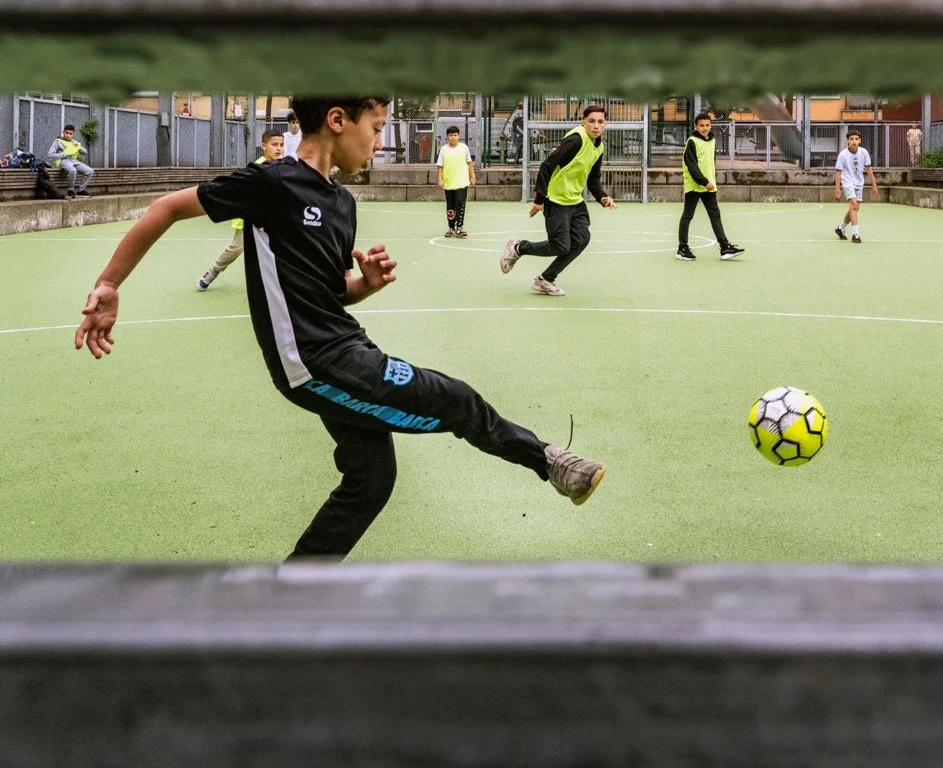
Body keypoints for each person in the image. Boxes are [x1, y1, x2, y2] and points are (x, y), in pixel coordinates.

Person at [75, 96, 607, 560]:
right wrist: (109, 284)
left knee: (371, 479)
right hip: (313, 361)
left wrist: (364, 285)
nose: (378, 142)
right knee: (456, 399)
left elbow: (332, 294)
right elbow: (166, 209)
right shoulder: (273, 182)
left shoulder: (342, 202)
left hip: (344, 346)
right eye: (375, 129)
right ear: (336, 120)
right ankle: (549, 462)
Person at [499, 105, 617, 295]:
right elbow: (546, 165)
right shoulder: (576, 140)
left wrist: (602, 196)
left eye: (600, 122)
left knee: (582, 239)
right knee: (560, 245)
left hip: (575, 201)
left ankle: (545, 279)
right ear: (583, 122)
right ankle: (518, 247)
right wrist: (540, 199)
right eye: (591, 121)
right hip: (556, 200)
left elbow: (593, 177)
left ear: (605, 124)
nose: (596, 126)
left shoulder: (599, 146)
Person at [197, 129, 285, 290]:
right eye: (274, 145)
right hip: (247, 217)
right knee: (237, 248)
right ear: (264, 146)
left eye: (281, 145)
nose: (279, 148)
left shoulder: (282, 166)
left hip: (268, 218)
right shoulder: (257, 168)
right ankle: (212, 272)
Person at [676, 112, 743, 261]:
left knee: (715, 216)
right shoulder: (692, 141)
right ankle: (682, 248)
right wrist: (704, 181)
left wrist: (710, 181)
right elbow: (692, 166)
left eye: (707, 125)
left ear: (711, 126)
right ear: (696, 126)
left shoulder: (712, 141)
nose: (705, 128)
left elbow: (711, 162)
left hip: (709, 186)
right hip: (695, 185)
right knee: (688, 216)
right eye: (701, 125)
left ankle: (725, 248)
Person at [832, 129, 879, 243]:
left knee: (855, 208)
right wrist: (837, 190)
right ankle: (856, 234)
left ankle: (841, 228)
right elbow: (838, 172)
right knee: (853, 205)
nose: (854, 141)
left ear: (860, 141)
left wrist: (874, 185)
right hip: (847, 182)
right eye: (851, 139)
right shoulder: (843, 155)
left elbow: (869, 169)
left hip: (859, 183)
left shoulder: (864, 153)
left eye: (856, 139)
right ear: (847, 141)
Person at [435, 126, 476, 238]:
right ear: (447, 137)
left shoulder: (464, 148)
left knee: (460, 204)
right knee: (450, 206)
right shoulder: (443, 149)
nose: (453, 137)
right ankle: (451, 227)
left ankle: (459, 227)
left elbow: (469, 163)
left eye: (455, 135)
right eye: (451, 135)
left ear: (459, 136)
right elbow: (440, 166)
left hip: (462, 182)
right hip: (449, 182)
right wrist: (440, 179)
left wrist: (472, 176)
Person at [47, 124, 94, 197]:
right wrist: (63, 154)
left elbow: (84, 152)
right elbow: (50, 155)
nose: (68, 135)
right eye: (67, 133)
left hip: (74, 161)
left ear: (73, 134)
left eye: (70, 133)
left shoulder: (73, 142)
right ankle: (70, 190)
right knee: (72, 170)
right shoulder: (58, 142)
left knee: (90, 171)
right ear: (63, 132)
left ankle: (81, 190)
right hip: (63, 161)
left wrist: (78, 147)